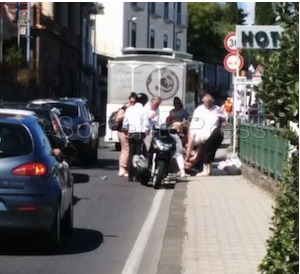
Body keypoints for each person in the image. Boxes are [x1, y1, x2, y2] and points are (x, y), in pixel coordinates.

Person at [185, 93, 225, 176]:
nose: (207, 104)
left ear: (212, 102)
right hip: (202, 133)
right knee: (207, 150)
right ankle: (208, 170)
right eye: (206, 102)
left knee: (208, 150)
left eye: (209, 102)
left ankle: (206, 170)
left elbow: (223, 118)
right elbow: (194, 122)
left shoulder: (217, 109)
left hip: (215, 132)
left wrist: (222, 122)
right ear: (203, 102)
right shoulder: (199, 110)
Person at [122, 93, 150, 182]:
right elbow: (146, 124)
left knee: (131, 153)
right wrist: (147, 135)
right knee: (139, 154)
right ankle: (138, 175)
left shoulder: (129, 109)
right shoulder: (144, 110)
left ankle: (130, 175)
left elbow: (125, 123)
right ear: (144, 101)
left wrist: (126, 132)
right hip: (140, 133)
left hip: (131, 133)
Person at [115, 92, 137, 177]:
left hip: (130, 131)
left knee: (128, 150)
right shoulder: (124, 108)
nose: (132, 104)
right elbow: (118, 118)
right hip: (122, 131)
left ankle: (126, 168)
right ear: (128, 100)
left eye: (134, 102)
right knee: (126, 150)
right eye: (131, 102)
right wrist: (127, 113)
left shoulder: (133, 108)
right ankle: (122, 169)